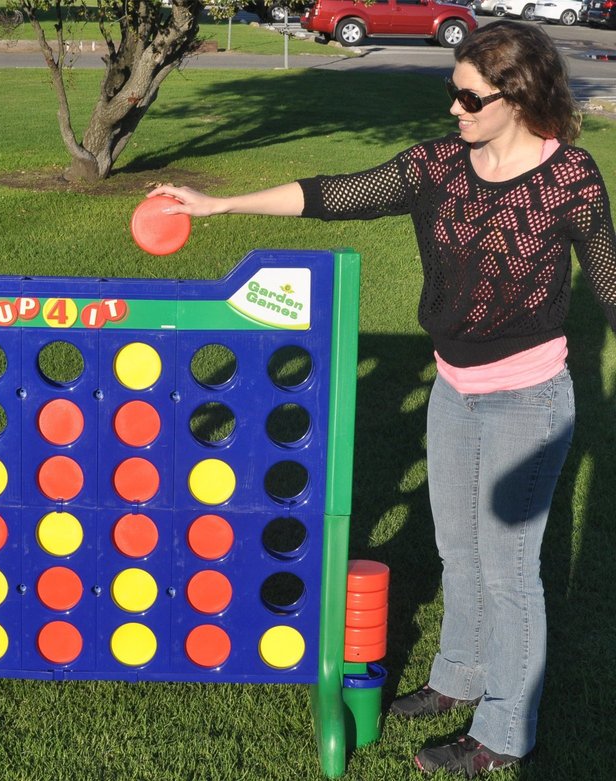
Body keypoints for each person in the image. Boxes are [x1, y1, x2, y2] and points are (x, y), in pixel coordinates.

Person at [149, 20, 616, 778]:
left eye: (468, 97)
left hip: (530, 399)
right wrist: (219, 206)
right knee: (456, 550)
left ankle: (502, 732)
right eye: (450, 92)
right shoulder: (438, 165)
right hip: (455, 388)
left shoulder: (571, 178)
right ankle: (456, 675)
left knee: (507, 570)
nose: (454, 110)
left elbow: (608, 279)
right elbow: (337, 194)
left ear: (518, 96)